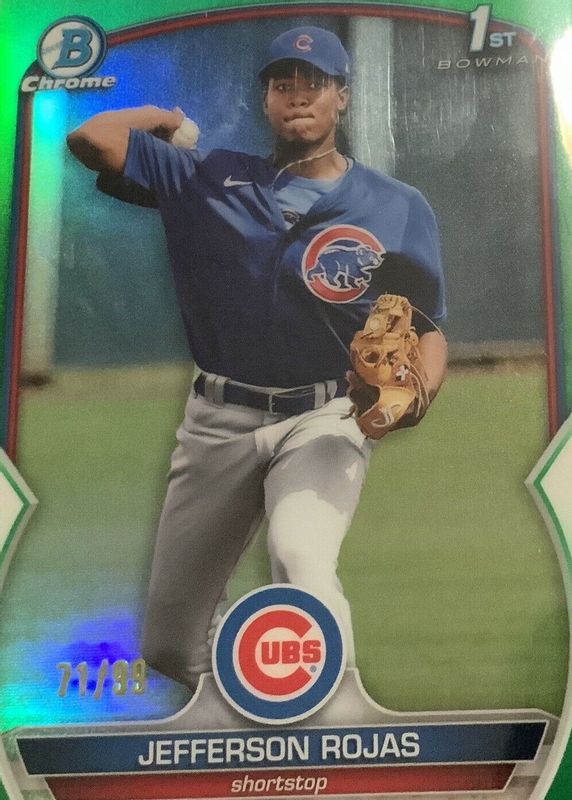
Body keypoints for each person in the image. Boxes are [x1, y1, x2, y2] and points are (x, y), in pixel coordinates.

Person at [67, 25, 447, 690]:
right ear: (266, 102)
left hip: (326, 415)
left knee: (301, 556)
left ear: (342, 97)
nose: (298, 95)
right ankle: (254, 709)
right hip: (218, 420)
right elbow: (92, 139)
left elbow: (429, 327)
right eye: (282, 84)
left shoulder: (397, 206)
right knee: (170, 644)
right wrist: (164, 119)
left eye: (314, 83)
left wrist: (417, 395)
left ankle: (328, 718)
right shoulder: (204, 175)